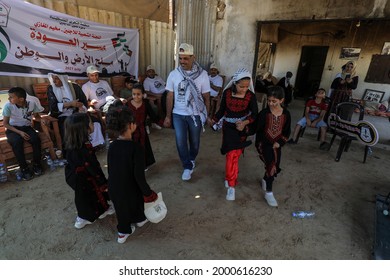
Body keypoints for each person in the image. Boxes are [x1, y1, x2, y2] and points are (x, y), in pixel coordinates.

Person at [106, 106, 158, 244]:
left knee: (121, 209)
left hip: (114, 187)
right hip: (131, 187)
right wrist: (148, 193)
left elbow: (111, 170)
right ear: (131, 125)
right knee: (135, 200)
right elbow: (139, 176)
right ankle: (139, 220)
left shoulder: (112, 146)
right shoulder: (136, 148)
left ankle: (123, 232)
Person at [209, 68, 258, 201]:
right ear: (235, 83)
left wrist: (244, 123)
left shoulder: (251, 96)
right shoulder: (227, 93)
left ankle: (230, 182)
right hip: (228, 128)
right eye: (241, 86)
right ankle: (231, 182)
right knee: (231, 155)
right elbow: (222, 110)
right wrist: (213, 119)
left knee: (234, 156)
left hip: (241, 129)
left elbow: (255, 114)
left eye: (247, 86)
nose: (244, 89)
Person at [164, 43, 211, 181]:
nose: (183, 61)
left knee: (195, 142)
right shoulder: (174, 74)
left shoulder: (203, 75)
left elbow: (207, 97)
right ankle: (187, 166)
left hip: (195, 114)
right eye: (181, 58)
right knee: (180, 141)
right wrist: (167, 116)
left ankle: (191, 158)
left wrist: (206, 115)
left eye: (186, 58)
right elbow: (170, 96)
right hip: (178, 114)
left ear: (193, 57)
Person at [64, 113, 114, 229]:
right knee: (88, 197)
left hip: (79, 176)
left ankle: (103, 210)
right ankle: (83, 218)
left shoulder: (74, 144)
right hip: (84, 179)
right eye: (91, 123)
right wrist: (102, 182)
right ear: (84, 129)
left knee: (90, 196)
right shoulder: (82, 150)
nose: (93, 124)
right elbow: (92, 168)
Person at [47, 71, 105, 148]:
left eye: (56, 79)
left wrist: (81, 107)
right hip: (61, 116)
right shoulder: (51, 89)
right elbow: (53, 107)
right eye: (53, 79)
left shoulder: (74, 87)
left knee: (96, 122)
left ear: (63, 79)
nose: (54, 81)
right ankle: (73, 149)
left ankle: (93, 145)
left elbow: (83, 101)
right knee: (67, 126)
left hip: (76, 113)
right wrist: (70, 104)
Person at [255, 86, 291, 207]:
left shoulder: (286, 114)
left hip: (276, 145)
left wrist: (280, 142)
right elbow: (255, 128)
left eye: (274, 101)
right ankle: (269, 193)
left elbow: (286, 132)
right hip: (263, 144)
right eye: (269, 100)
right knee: (271, 165)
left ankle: (265, 179)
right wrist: (243, 127)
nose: (270, 103)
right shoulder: (264, 114)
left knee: (276, 165)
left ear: (281, 100)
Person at [2, 87, 44, 180]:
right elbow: (5, 124)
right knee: (17, 142)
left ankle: (37, 164)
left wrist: (42, 120)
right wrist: (19, 132)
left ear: (21, 99)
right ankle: (24, 168)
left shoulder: (32, 104)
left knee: (36, 140)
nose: (9, 99)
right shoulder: (8, 106)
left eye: (11, 97)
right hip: (13, 129)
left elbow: (37, 117)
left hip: (27, 127)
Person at [127, 83, 161, 169]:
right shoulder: (127, 104)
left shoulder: (145, 104)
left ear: (143, 94)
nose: (136, 96)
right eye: (134, 94)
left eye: (138, 94)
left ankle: (143, 165)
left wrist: (163, 121)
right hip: (130, 132)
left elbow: (153, 116)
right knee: (131, 149)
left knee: (143, 148)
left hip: (142, 131)